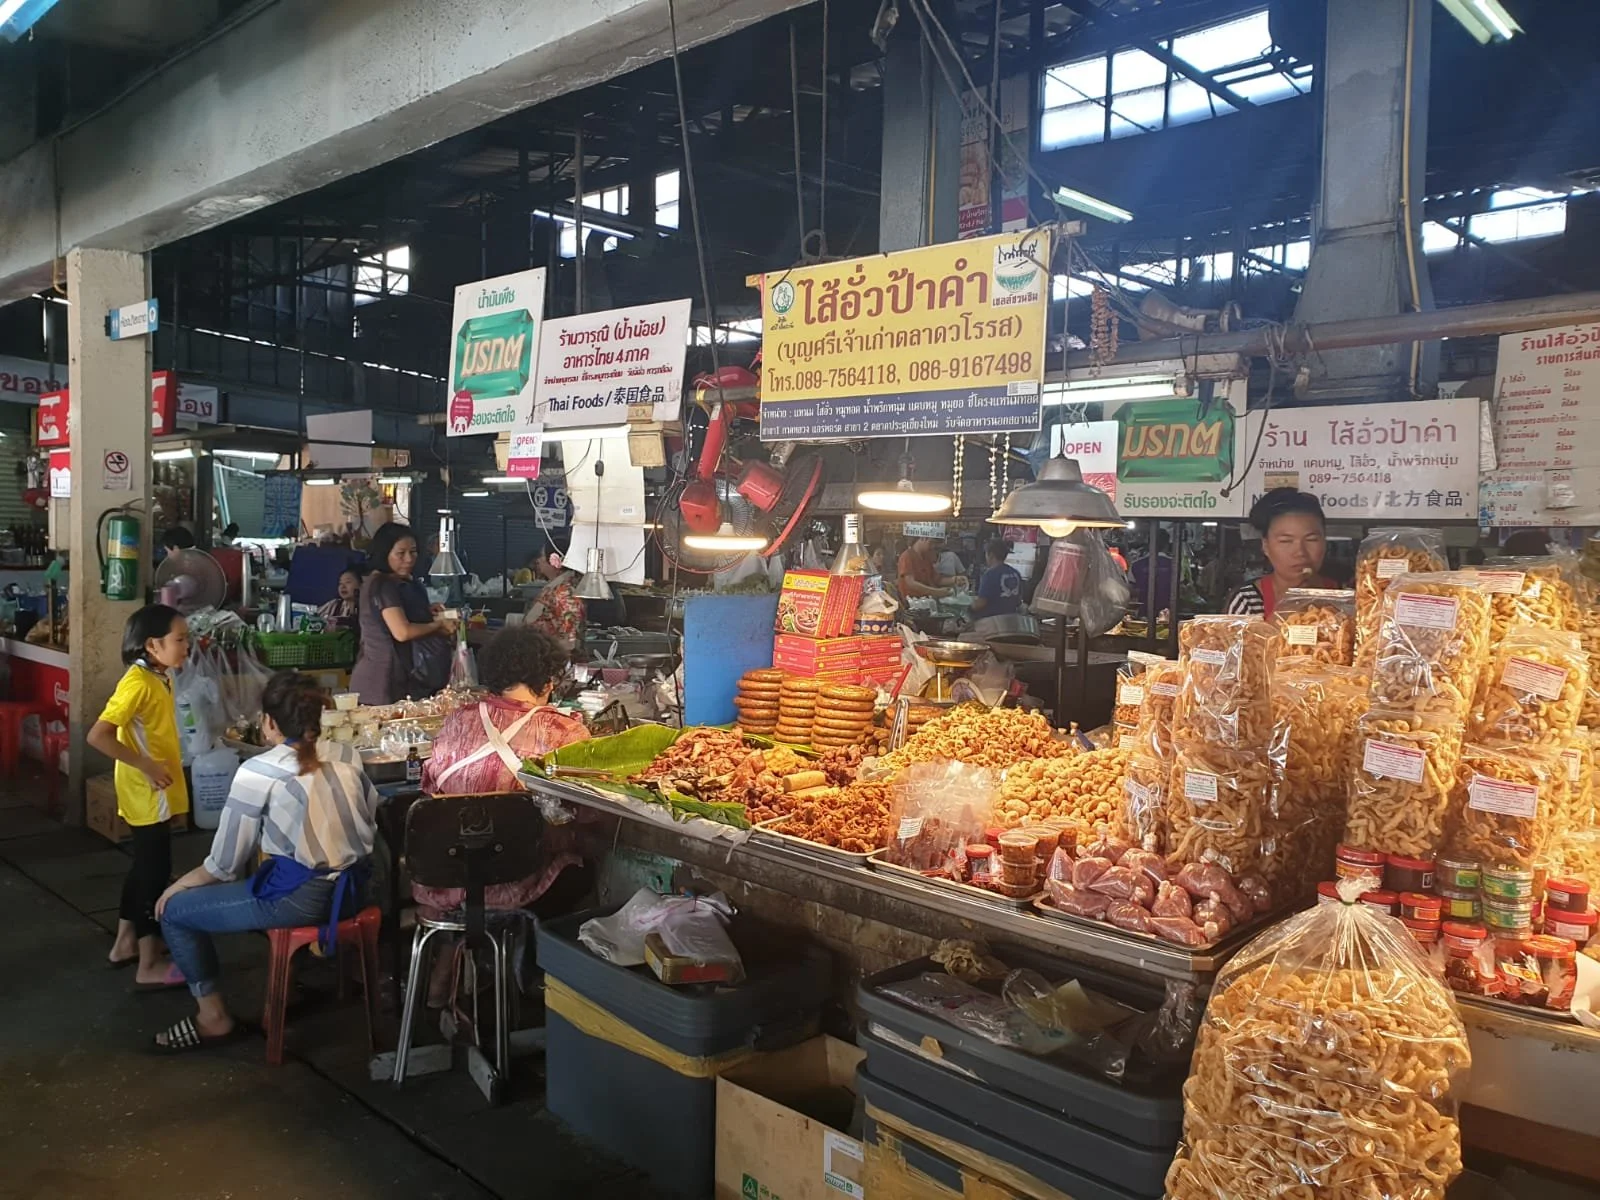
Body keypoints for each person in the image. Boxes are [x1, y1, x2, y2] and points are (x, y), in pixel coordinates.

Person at [151, 671, 380, 1052]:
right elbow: (369, 817)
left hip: (305, 899)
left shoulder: (258, 771)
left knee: (174, 911)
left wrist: (175, 887)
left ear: (269, 723)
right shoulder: (346, 754)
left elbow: (222, 865)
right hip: (361, 888)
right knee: (278, 874)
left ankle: (212, 1017)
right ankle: (292, 984)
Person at [415, 626, 589, 1004]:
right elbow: (581, 811)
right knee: (584, 865)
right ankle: (537, 987)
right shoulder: (564, 731)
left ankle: (459, 960)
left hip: (444, 878)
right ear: (548, 677)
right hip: (517, 880)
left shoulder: (457, 720)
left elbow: (431, 790)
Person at [89, 605, 191, 988]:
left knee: (143, 869)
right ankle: (148, 964)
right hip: (148, 792)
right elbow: (98, 735)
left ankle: (125, 943)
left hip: (152, 789)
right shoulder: (138, 683)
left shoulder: (158, 675)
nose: (186, 647)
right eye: (180, 640)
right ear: (152, 644)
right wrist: (147, 766)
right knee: (154, 875)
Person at [349, 522, 456, 705]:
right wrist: (438, 625)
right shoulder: (382, 585)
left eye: (413, 552)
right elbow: (402, 632)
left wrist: (424, 612)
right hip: (380, 683)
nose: (409, 559)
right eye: (401, 554)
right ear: (385, 554)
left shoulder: (393, 582)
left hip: (394, 679)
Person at [1226, 488, 1336, 617]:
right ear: (1266, 546)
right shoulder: (1247, 601)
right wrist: (1290, 607)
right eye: (1285, 541)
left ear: (1324, 542)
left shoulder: (1351, 597)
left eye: (1311, 539)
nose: (1300, 552)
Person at [524, 542, 585, 652]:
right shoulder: (556, 587)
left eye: (542, 555)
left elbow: (569, 639)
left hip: (554, 659)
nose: (539, 560)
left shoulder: (565, 592)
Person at [897, 536, 964, 599]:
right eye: (931, 542)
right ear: (923, 538)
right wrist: (936, 592)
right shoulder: (907, 556)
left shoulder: (926, 557)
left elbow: (937, 580)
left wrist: (954, 580)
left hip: (927, 601)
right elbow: (911, 583)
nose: (932, 546)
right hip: (912, 604)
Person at [971, 539, 1023, 617]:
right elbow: (1019, 600)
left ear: (991, 555)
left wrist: (969, 607)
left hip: (992, 621)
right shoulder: (1016, 573)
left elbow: (980, 603)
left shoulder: (990, 575)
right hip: (1012, 618)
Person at [1130, 531, 1174, 616]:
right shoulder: (1175, 564)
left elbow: (1131, 590)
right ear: (1167, 545)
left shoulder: (1136, 564)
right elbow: (1182, 589)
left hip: (1144, 612)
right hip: (1168, 613)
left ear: (1149, 544)